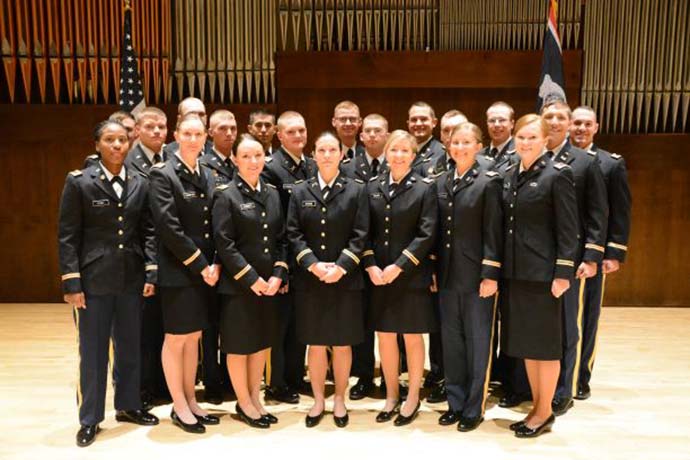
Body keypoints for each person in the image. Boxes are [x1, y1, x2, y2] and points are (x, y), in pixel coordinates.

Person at [58, 120, 159, 447]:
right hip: (94, 281)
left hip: (130, 277)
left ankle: (128, 405)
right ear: (98, 144)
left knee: (130, 347)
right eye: (110, 140)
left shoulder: (139, 183)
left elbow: (147, 231)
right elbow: (68, 235)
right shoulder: (79, 182)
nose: (117, 145)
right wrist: (72, 282)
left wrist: (150, 272)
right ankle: (90, 418)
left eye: (122, 140)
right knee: (93, 352)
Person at [501, 114, 578, 438]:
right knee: (528, 346)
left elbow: (568, 230)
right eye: (521, 137)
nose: (525, 142)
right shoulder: (509, 175)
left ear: (546, 140)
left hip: (544, 276)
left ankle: (544, 411)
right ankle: (538, 406)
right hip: (517, 274)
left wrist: (563, 273)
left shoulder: (557, 175)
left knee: (545, 347)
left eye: (532, 137)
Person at [287, 132, 369, 428]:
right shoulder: (300, 191)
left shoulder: (356, 190)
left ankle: (340, 399)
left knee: (343, 343)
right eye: (321, 150)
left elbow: (361, 235)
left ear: (340, 155)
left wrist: (341, 266)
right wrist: (312, 265)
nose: (326, 154)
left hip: (345, 280)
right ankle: (319, 398)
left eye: (332, 149)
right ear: (314, 154)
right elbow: (293, 234)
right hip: (311, 281)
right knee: (317, 344)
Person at [149, 114, 221, 434]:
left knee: (194, 338)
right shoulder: (163, 174)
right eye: (187, 133)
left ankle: (192, 399)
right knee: (177, 338)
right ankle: (178, 405)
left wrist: (215, 263)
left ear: (206, 136)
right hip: (180, 270)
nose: (193, 139)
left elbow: (214, 224)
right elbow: (169, 228)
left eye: (198, 134)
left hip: (204, 270)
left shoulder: (207, 172)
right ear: (176, 135)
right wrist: (202, 264)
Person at [212, 135, 288, 429]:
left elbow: (281, 240)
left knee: (260, 344)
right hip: (240, 286)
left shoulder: (270, 192)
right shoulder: (226, 194)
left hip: (268, 284)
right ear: (235, 160)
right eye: (246, 156)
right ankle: (243, 402)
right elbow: (225, 244)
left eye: (258, 155)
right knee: (239, 346)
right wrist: (252, 279)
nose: (253, 161)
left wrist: (277, 275)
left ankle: (255, 397)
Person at [364, 130, 438, 426]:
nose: (398, 155)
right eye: (393, 150)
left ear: (413, 155)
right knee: (385, 336)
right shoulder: (372, 187)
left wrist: (400, 266)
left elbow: (427, 233)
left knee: (411, 335)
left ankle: (413, 396)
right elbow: (363, 232)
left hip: (410, 275)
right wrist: (371, 266)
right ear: (386, 153)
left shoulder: (424, 188)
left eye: (404, 151)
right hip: (379, 275)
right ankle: (392, 394)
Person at [434, 123, 503, 432]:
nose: (459, 147)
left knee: (477, 342)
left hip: (477, 276)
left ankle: (473, 407)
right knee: (452, 343)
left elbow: (493, 232)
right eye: (455, 141)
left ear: (478, 146)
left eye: (466, 142)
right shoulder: (442, 181)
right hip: (447, 276)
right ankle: (455, 402)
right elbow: (436, 233)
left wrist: (490, 274)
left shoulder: (488, 182)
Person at [541, 99, 608, 416]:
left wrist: (592, 256)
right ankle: (537, 385)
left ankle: (565, 388)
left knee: (570, 326)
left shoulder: (584, 161)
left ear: (569, 124)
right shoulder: (532, 159)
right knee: (541, 326)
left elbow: (598, 213)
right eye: (548, 116)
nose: (554, 121)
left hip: (571, 261)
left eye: (560, 117)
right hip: (537, 260)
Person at [569, 105, 632, 400]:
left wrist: (612, 253)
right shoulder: (558, 160)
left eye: (586, 124)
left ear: (596, 127)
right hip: (562, 252)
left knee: (587, 316)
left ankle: (581, 376)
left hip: (590, 254)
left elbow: (620, 211)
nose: (580, 128)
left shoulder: (610, 163)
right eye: (576, 123)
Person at [261, 111, 317, 404]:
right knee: (279, 325)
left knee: (299, 324)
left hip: (306, 258)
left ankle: (295, 377)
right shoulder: (271, 169)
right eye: (291, 132)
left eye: (302, 130)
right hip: (283, 257)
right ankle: (276, 382)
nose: (298, 136)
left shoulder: (311, 165)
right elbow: (272, 221)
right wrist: (279, 267)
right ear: (279, 136)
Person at [122, 106, 169, 409]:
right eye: (150, 126)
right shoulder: (126, 163)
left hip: (172, 257)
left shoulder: (173, 159)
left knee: (166, 326)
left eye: (162, 127)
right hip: (140, 257)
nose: (156, 132)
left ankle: (164, 385)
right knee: (141, 331)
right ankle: (140, 390)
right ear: (137, 130)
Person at [345, 113, 389, 400]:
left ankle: (390, 376)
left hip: (389, 257)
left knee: (389, 320)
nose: (372, 135)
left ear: (387, 134)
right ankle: (363, 376)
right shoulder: (349, 167)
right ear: (361, 136)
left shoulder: (399, 163)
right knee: (361, 321)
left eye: (378, 131)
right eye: (368, 131)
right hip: (358, 257)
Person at [198, 109, 239, 403]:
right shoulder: (202, 165)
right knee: (210, 324)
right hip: (213, 255)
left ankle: (231, 378)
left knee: (232, 323)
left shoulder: (243, 161)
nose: (228, 132)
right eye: (221, 128)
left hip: (236, 256)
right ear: (210, 132)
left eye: (233, 128)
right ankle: (212, 382)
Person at [407, 101, 446, 177]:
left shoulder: (441, 153)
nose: (418, 124)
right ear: (408, 123)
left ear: (434, 122)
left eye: (423, 119)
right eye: (414, 120)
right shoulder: (400, 151)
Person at [481, 101, 517, 171]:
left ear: (512, 124)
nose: (496, 125)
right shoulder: (478, 156)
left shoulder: (520, 153)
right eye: (492, 120)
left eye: (502, 120)